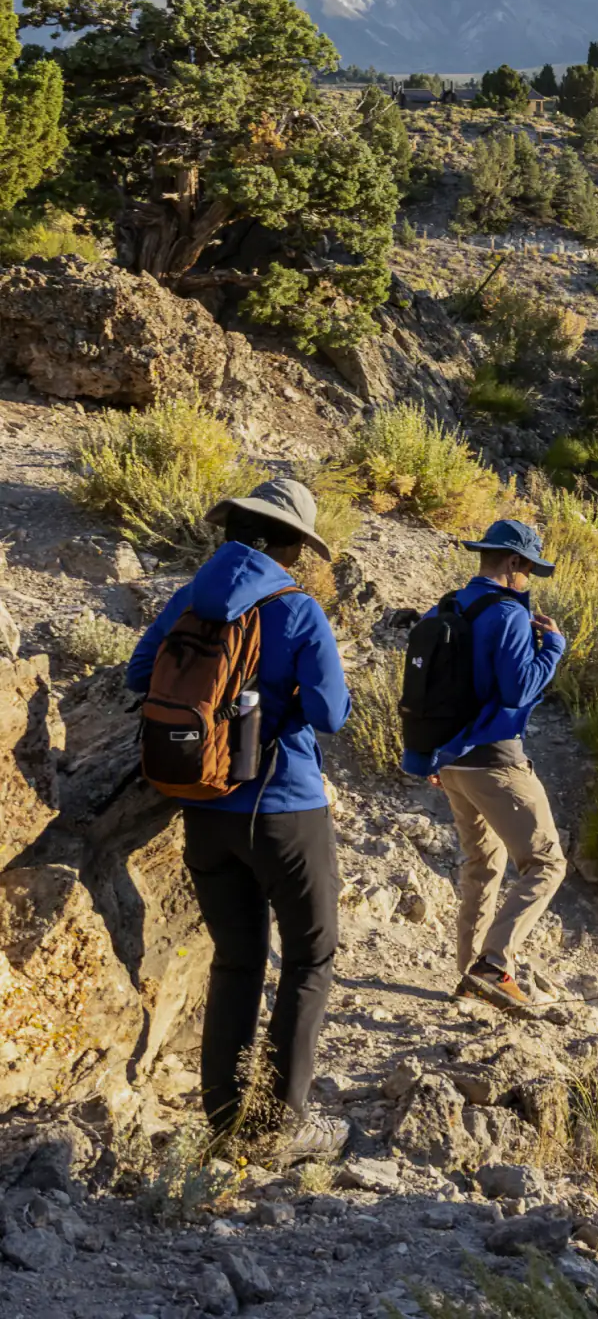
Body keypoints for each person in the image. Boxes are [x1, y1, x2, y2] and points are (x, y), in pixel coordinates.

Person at [127, 477, 351, 1162]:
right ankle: (284, 1125)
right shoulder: (297, 608)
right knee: (311, 956)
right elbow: (331, 715)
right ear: (290, 546)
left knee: (237, 958)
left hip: (201, 807)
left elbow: (142, 675)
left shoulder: (191, 599)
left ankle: (226, 1121)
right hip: (284, 810)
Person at [400, 517, 567, 1013]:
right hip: (496, 760)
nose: (529, 579)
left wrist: (427, 753)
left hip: (450, 762)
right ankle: (493, 966)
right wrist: (554, 646)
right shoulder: (508, 614)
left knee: (483, 863)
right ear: (514, 563)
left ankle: (470, 974)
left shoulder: (447, 605)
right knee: (546, 862)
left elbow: (424, 688)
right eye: (529, 570)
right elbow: (518, 688)